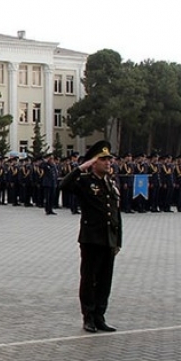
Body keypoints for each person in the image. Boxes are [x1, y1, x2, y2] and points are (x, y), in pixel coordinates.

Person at [59, 140, 122, 334]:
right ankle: (88, 317)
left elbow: (115, 213)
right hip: (91, 239)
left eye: (109, 159)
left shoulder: (111, 183)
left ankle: (100, 316)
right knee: (89, 279)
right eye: (103, 159)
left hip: (108, 239)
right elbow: (64, 185)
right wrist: (80, 168)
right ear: (93, 163)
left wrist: (118, 240)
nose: (108, 162)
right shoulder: (86, 182)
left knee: (105, 281)